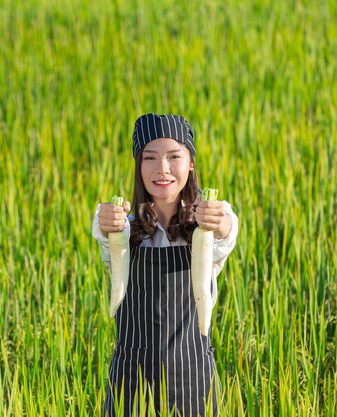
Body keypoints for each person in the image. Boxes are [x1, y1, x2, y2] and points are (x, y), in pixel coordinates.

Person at [92, 113, 238, 417]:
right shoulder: (124, 230)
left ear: (191, 163)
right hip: (130, 379)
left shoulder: (206, 229)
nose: (163, 169)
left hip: (193, 380)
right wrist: (104, 220)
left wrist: (221, 222)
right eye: (150, 157)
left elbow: (227, 231)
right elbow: (105, 235)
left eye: (174, 156)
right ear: (139, 165)